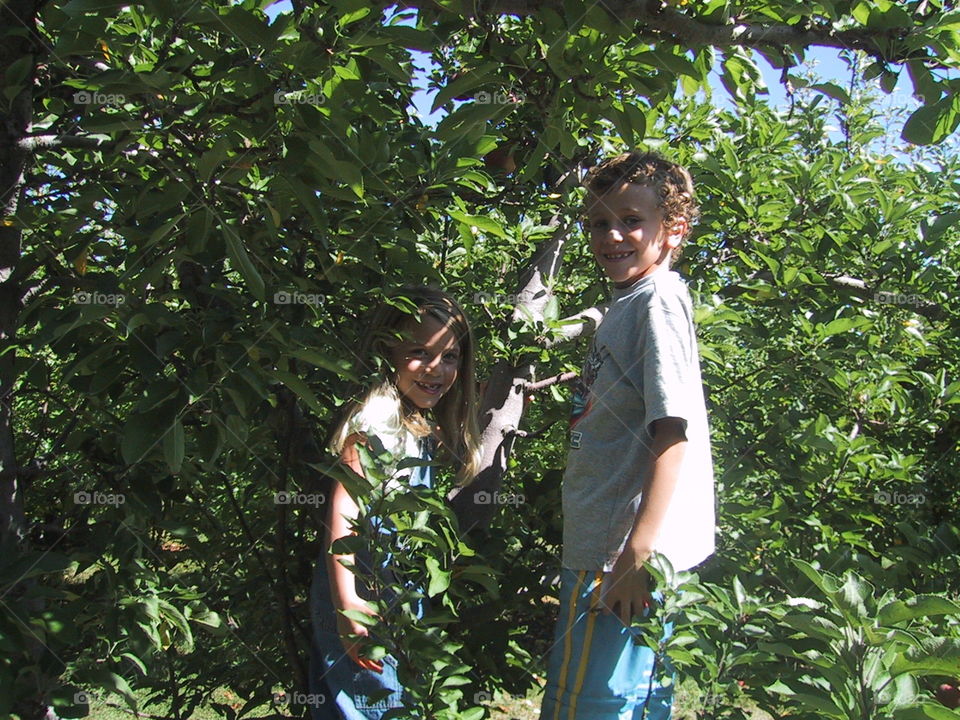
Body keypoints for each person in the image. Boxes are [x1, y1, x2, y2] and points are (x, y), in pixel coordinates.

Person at [539, 152, 716, 720]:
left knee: (586, 705)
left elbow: (673, 433)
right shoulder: (632, 303)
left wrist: (636, 553)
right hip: (618, 548)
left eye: (631, 220)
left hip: (617, 553)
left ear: (674, 229)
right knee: (627, 705)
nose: (612, 234)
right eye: (598, 222)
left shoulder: (657, 301)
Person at [309, 286, 482, 720]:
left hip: (393, 599)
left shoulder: (410, 417)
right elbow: (343, 513)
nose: (436, 369)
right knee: (368, 705)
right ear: (388, 353)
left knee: (390, 701)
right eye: (419, 353)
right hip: (362, 597)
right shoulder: (379, 419)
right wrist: (348, 606)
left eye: (450, 357)